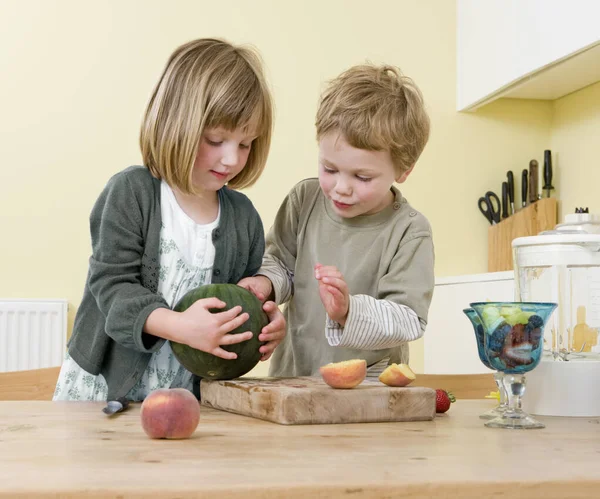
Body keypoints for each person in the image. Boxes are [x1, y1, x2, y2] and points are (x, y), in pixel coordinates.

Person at [53, 38, 285, 402]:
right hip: (104, 393)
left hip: (186, 401)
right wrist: (178, 326)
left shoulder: (245, 218)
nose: (231, 159)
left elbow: (239, 307)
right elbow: (111, 288)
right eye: (216, 139)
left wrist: (263, 328)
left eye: (245, 144)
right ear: (176, 123)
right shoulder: (131, 192)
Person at [239, 63, 434, 378]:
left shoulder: (410, 232)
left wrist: (348, 311)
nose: (341, 187)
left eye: (362, 176)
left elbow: (409, 318)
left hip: (367, 393)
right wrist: (265, 284)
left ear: (403, 170)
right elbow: (279, 263)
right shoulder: (305, 199)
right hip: (293, 377)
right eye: (330, 169)